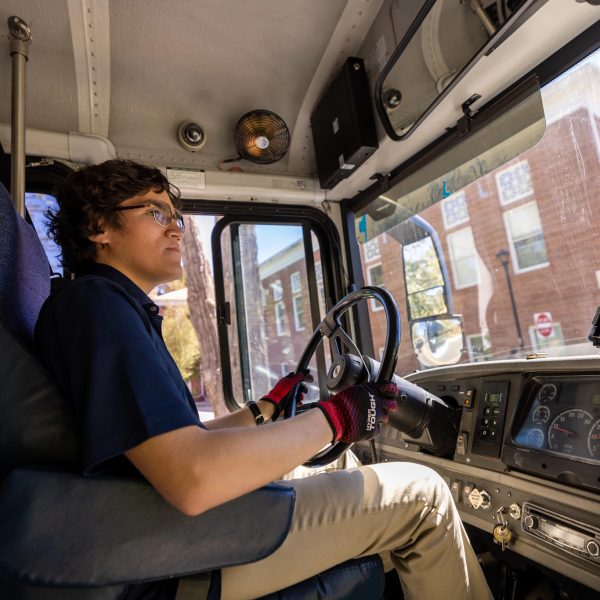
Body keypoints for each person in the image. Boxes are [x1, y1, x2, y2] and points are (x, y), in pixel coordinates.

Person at [35, 159, 493, 600]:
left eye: (174, 214)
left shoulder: (110, 306)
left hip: (159, 529)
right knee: (425, 496)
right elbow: (192, 477)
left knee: (336, 465)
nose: (175, 227)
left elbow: (172, 444)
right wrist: (337, 417)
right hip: (169, 553)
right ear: (99, 227)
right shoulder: (98, 306)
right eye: (156, 213)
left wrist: (263, 410)